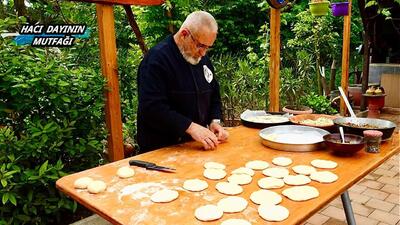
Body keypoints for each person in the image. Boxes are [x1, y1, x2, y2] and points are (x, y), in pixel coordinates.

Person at [137, 11, 229, 153]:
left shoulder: (202, 59)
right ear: (184, 34)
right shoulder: (157, 60)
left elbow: (214, 94)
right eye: (200, 45)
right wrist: (190, 127)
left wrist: (214, 121)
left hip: (193, 147)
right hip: (159, 151)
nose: (203, 53)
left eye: (208, 48)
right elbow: (152, 107)